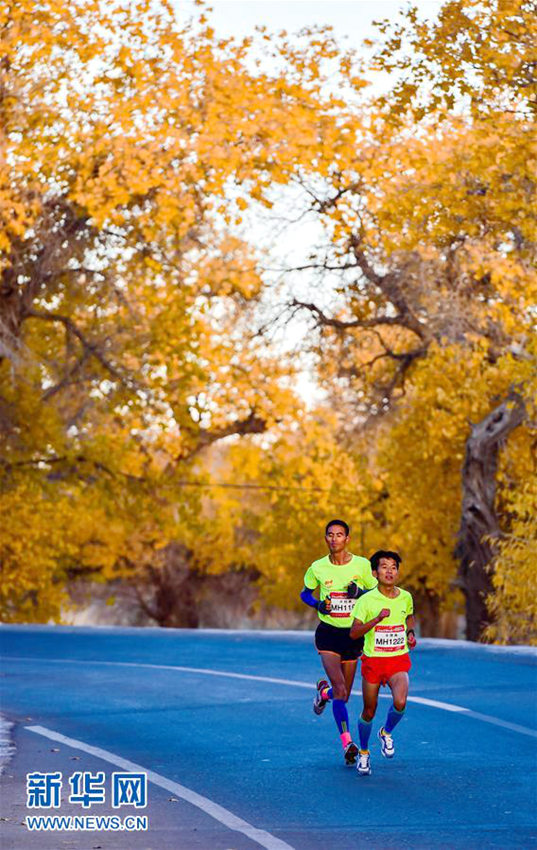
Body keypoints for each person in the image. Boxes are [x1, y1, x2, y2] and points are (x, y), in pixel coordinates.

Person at [300, 519, 377, 765]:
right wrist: (318, 604)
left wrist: (360, 593)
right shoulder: (318, 567)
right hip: (329, 634)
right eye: (330, 535)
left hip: (353, 636)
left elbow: (377, 594)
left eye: (339, 535)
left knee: (342, 694)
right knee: (341, 690)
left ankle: (324, 694)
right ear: (326, 539)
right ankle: (347, 743)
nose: (334, 539)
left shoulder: (362, 565)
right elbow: (304, 593)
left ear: (347, 539)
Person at [349, 550, 417, 776]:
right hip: (374, 662)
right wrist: (377, 619)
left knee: (400, 701)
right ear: (375, 573)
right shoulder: (366, 600)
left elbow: (409, 616)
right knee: (369, 710)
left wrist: (410, 632)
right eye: (384, 567)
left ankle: (386, 733)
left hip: (397, 659)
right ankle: (364, 753)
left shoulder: (405, 597)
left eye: (393, 567)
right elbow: (354, 633)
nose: (389, 571)